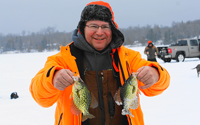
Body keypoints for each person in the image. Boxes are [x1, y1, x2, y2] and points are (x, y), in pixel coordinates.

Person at [29, 1, 170, 125]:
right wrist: (52, 78)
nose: (99, 32)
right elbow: (40, 97)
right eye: (93, 26)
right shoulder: (63, 59)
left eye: (105, 26)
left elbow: (159, 86)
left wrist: (155, 73)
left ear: (113, 29)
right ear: (82, 28)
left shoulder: (128, 57)